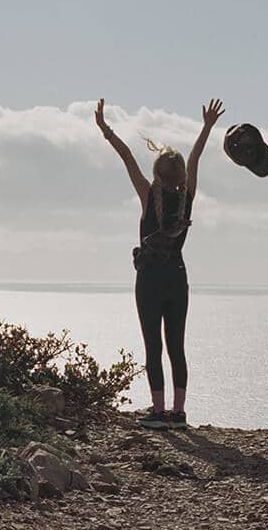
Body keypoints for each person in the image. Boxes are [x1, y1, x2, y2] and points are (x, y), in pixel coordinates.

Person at [95, 96, 224, 429]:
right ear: (181, 176)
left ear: (156, 174)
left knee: (153, 345)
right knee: (176, 347)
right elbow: (195, 157)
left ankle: (157, 410)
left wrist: (105, 129)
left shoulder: (148, 194)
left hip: (150, 280)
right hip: (177, 278)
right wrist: (207, 127)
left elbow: (126, 157)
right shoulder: (187, 197)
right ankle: (179, 413)